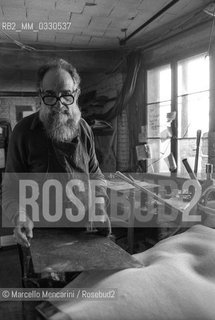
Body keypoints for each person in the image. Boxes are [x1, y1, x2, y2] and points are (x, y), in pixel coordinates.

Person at [2, 58, 111, 249]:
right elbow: (10, 189)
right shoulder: (23, 132)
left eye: (66, 95)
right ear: (40, 95)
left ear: (76, 95)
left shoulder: (84, 128)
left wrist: (99, 205)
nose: (59, 105)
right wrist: (19, 217)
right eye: (51, 96)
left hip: (84, 230)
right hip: (39, 234)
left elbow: (95, 174)